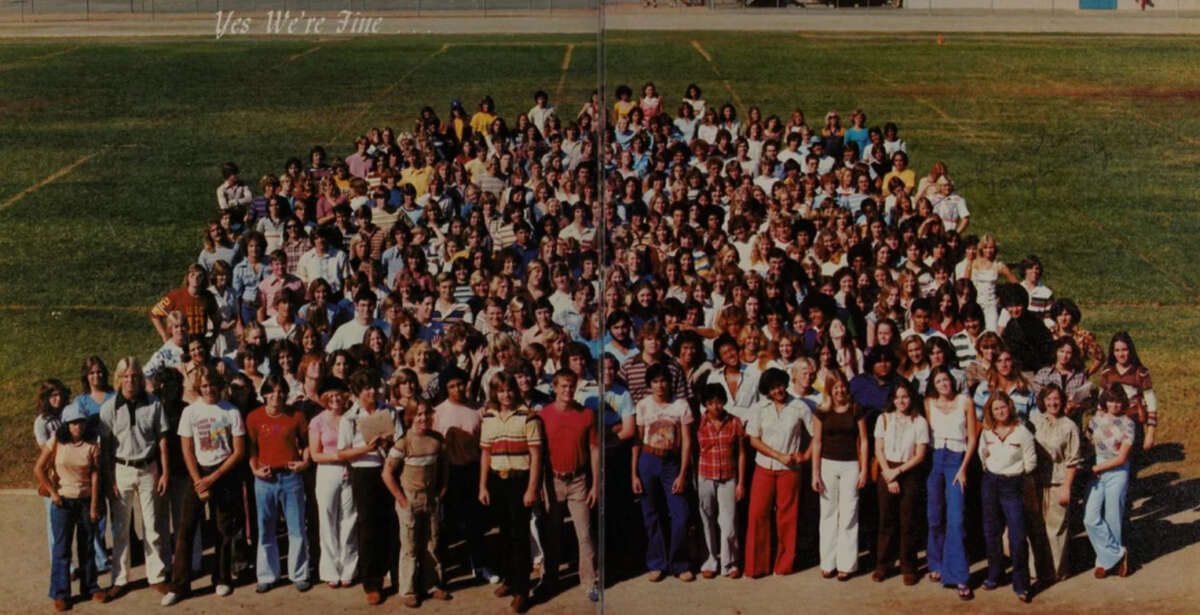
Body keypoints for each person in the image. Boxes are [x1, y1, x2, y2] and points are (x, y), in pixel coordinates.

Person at [163, 366, 246, 606]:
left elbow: (238, 451)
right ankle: (179, 584)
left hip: (223, 473)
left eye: (213, 385)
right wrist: (199, 479)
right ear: (199, 388)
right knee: (186, 529)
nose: (209, 390)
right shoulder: (191, 412)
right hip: (197, 474)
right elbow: (186, 448)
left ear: (220, 386)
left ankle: (221, 578)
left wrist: (215, 477)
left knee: (223, 528)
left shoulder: (231, 411)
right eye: (205, 386)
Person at [97, 357, 171, 600]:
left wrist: (164, 471)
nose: (131, 381)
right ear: (119, 379)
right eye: (126, 376)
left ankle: (157, 576)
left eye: (135, 376)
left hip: (149, 469)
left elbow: (162, 439)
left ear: (141, 378)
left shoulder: (153, 403)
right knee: (120, 529)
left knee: (153, 527)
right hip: (121, 470)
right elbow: (106, 448)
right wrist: (110, 481)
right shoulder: (109, 407)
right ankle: (120, 579)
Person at [478, 372, 543, 614]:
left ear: (515, 390)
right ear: (494, 393)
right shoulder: (488, 417)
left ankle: (522, 591)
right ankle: (509, 579)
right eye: (500, 390)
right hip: (497, 481)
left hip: (520, 482)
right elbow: (485, 453)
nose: (505, 395)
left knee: (519, 536)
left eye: (509, 390)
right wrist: (483, 486)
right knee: (503, 534)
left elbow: (536, 455)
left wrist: (532, 488)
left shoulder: (528, 416)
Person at [337, 368, 403, 605]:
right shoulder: (349, 418)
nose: (372, 392)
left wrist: (388, 443)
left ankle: (398, 576)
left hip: (389, 469)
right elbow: (343, 452)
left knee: (392, 523)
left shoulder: (390, 411)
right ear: (357, 392)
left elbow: (401, 440)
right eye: (366, 388)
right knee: (368, 527)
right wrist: (366, 448)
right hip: (364, 472)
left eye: (375, 386)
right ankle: (372, 582)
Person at [35, 403, 107, 611]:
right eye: (74, 423)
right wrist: (53, 493)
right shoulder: (57, 442)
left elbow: (95, 476)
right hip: (63, 502)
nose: (78, 427)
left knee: (87, 547)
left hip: (84, 501)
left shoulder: (92, 445)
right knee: (61, 548)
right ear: (66, 424)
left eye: (81, 422)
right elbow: (38, 468)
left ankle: (90, 586)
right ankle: (60, 592)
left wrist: (94, 506)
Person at [536, 369, 600, 601]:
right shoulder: (543, 416)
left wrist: (596, 485)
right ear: (554, 387)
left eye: (571, 386)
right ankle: (550, 578)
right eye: (563, 386)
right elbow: (539, 453)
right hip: (552, 480)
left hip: (579, 481)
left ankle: (589, 581)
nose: (567, 390)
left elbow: (594, 449)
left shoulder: (587, 415)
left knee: (584, 533)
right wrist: (539, 486)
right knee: (551, 533)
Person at [382, 399, 452, 608]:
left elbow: (444, 468)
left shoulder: (437, 440)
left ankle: (431, 584)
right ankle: (408, 590)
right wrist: (401, 498)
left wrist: (442, 489)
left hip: (431, 498)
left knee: (432, 542)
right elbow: (387, 474)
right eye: (418, 414)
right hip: (409, 499)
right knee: (410, 546)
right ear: (411, 416)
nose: (423, 418)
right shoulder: (404, 442)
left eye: (426, 414)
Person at [743, 368, 812, 578]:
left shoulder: (800, 406)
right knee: (757, 515)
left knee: (787, 517)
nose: (778, 390)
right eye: (773, 388)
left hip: (790, 470)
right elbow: (754, 439)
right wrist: (777, 455)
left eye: (780, 385)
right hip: (764, 467)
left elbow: (817, 435)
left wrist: (805, 456)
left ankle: (783, 565)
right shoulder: (760, 408)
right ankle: (756, 567)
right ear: (767, 391)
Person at [246, 374, 311, 593]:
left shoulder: (296, 416)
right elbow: (252, 448)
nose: (277, 395)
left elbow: (306, 443)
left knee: (297, 528)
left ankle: (299, 573)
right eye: (272, 391)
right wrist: (255, 468)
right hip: (265, 479)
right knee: (265, 529)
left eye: (281, 391)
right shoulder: (254, 418)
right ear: (264, 394)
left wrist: (304, 462)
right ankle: (267, 575)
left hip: (291, 478)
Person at [632, 362, 694, 582]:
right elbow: (637, 441)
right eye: (656, 381)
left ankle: (680, 563)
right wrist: (634, 474)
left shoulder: (681, 405)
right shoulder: (643, 405)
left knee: (680, 514)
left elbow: (686, 441)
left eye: (664, 381)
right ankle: (657, 563)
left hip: (672, 464)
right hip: (647, 461)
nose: (660, 385)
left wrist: (682, 473)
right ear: (650, 384)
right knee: (651, 514)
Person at [432, 367, 493, 584]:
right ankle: (444, 568)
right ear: (445, 389)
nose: (457, 389)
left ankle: (479, 564)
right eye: (451, 386)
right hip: (449, 473)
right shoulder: (437, 413)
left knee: (475, 522)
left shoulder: (477, 410)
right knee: (445, 523)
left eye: (460, 384)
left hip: (473, 470)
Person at [925, 365, 978, 600]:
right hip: (935, 459)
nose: (944, 384)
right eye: (938, 382)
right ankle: (935, 562)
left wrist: (964, 468)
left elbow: (973, 437)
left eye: (946, 380)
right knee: (934, 516)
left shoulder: (965, 401)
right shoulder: (928, 403)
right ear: (933, 386)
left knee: (956, 519)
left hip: (957, 461)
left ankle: (959, 576)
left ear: (952, 381)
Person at [977, 392, 1036, 602]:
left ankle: (1021, 584)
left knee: (1018, 535)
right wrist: (989, 470)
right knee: (991, 532)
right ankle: (995, 575)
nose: (1000, 411)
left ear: (1010, 407)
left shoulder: (1022, 432)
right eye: (996, 409)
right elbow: (982, 453)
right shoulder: (987, 432)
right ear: (990, 412)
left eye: (1003, 407)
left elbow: (1031, 460)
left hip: (1013, 484)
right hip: (990, 483)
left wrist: (1018, 475)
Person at [811, 371, 868, 581]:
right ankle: (828, 563)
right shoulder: (821, 412)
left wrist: (863, 470)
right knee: (828, 514)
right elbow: (816, 443)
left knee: (849, 515)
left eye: (842, 386)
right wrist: (815, 473)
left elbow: (863, 440)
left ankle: (847, 564)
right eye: (835, 387)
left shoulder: (856, 409)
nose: (840, 390)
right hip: (827, 465)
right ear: (829, 390)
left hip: (851, 466)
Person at [871, 380, 927, 585]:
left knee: (908, 521)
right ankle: (883, 564)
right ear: (892, 399)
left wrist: (898, 472)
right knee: (886, 520)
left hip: (909, 471)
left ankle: (908, 566)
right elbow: (878, 449)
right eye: (898, 397)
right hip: (887, 470)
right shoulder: (884, 419)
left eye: (905, 396)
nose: (901, 401)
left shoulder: (919, 421)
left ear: (911, 398)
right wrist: (888, 473)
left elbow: (920, 455)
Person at [1027, 384, 1082, 585]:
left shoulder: (1069, 426)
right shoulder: (1034, 421)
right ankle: (1036, 570)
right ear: (1043, 401)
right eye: (1049, 399)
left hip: (1059, 482)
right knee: (1036, 528)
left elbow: (1073, 460)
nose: (1053, 403)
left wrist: (1067, 486)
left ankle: (1055, 572)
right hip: (1036, 482)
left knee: (1056, 530)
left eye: (1056, 398)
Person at [308, 377, 357, 588]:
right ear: (326, 398)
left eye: (339, 395)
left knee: (349, 519)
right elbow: (315, 455)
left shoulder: (351, 418)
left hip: (350, 471)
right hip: (328, 471)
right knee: (327, 519)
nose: (336, 399)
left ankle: (349, 568)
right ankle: (330, 570)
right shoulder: (318, 421)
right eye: (332, 396)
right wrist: (339, 456)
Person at [695, 383, 746, 580]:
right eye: (710, 403)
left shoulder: (734, 422)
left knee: (729, 523)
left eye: (718, 402)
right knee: (707, 520)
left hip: (728, 478)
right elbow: (693, 451)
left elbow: (741, 453)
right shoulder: (698, 423)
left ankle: (730, 562)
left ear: (724, 402)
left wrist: (741, 483)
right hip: (705, 477)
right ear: (705, 404)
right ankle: (711, 560)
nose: (715, 407)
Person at [1085, 385, 1135, 579]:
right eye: (1111, 400)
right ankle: (1118, 553)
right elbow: (1086, 442)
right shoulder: (1095, 420)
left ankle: (1103, 563)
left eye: (1118, 401)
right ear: (1104, 402)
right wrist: (1092, 466)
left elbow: (1122, 457)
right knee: (1090, 518)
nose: (1114, 405)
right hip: (1097, 470)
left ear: (1123, 402)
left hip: (1117, 471)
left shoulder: (1128, 424)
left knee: (1113, 516)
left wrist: (1098, 468)